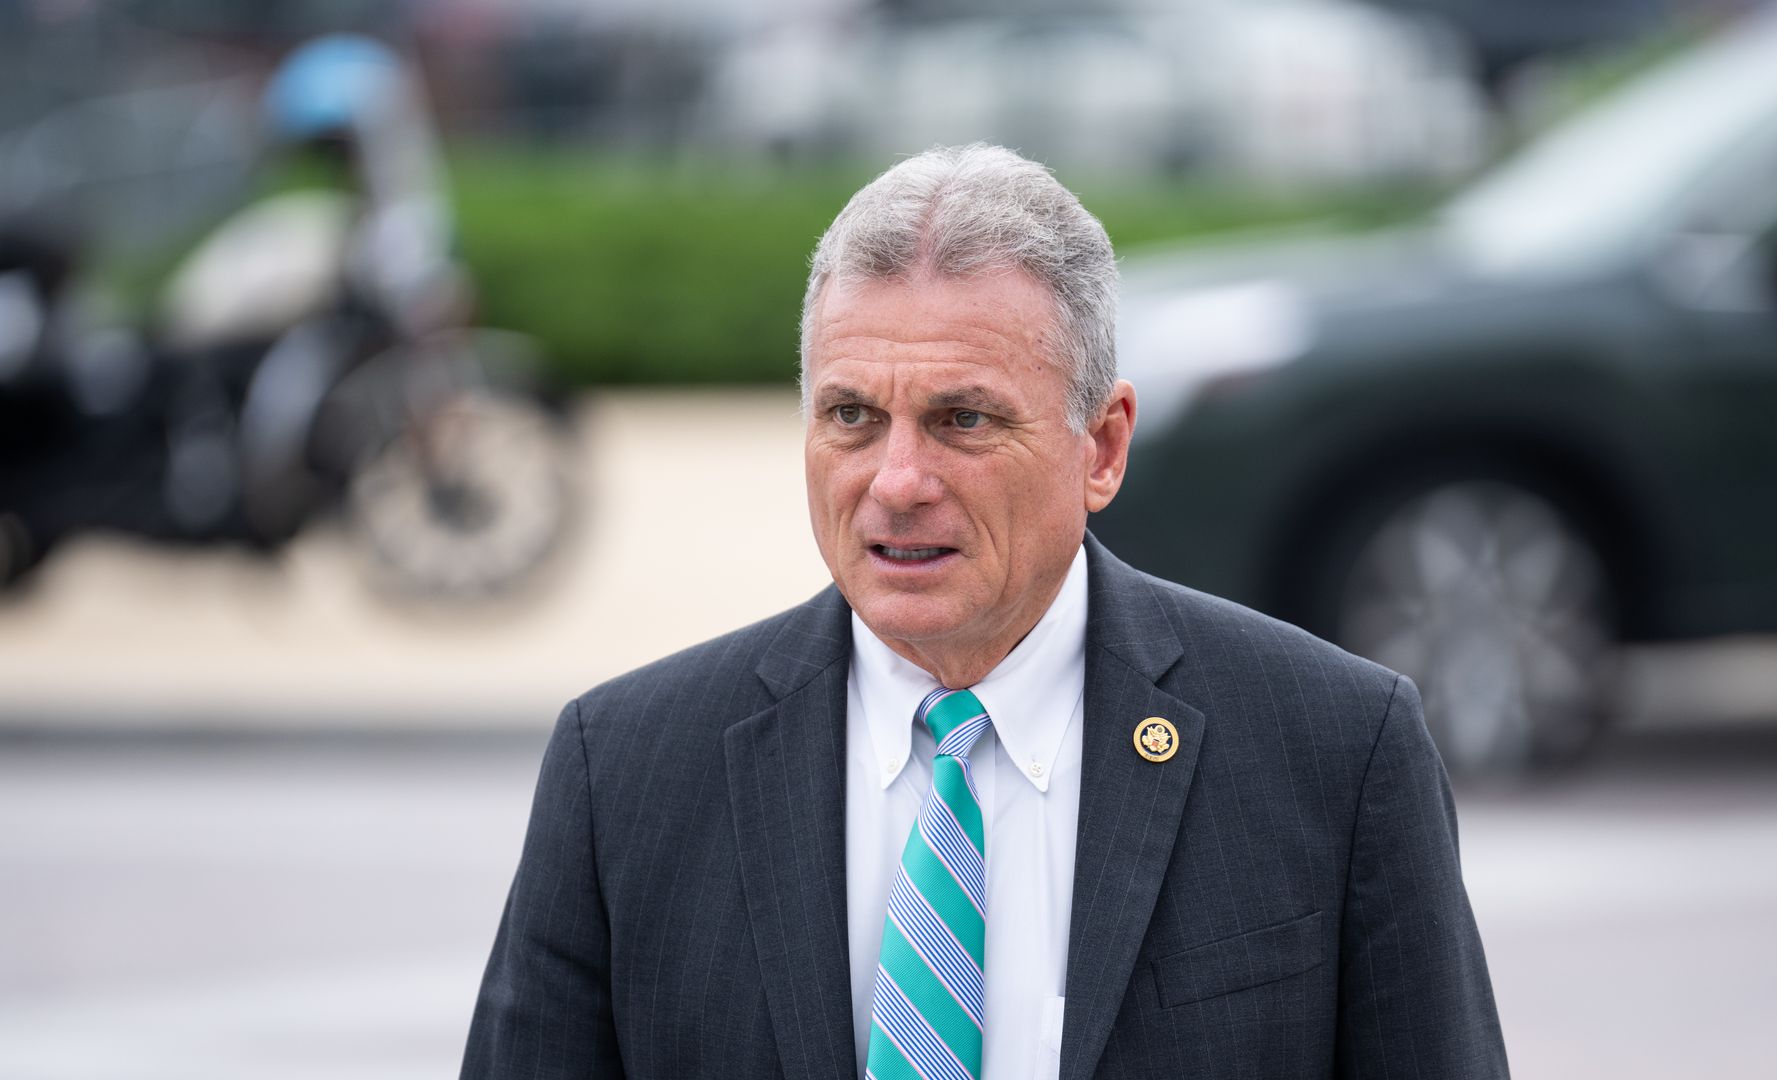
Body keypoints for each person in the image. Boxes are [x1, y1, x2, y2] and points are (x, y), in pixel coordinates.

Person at [461, 143, 1507, 1080]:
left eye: (962, 419)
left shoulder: (1335, 752)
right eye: (851, 417)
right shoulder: (626, 772)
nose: (897, 480)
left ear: (1102, 446)